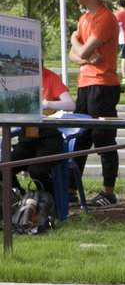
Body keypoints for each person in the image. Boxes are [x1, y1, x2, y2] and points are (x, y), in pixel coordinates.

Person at [61, 0, 122, 208]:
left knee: (104, 138)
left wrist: (75, 42)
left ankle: (109, 192)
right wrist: (79, 51)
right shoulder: (83, 18)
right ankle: (70, 190)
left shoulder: (106, 18)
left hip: (103, 85)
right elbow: (74, 56)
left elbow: (80, 51)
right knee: (80, 138)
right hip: (85, 84)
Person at [9, 67, 76, 196]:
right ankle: (21, 198)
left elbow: (71, 104)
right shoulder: (16, 78)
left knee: (37, 170)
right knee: (5, 169)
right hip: (27, 137)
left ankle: (52, 202)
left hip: (49, 137)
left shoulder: (50, 77)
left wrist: (48, 104)